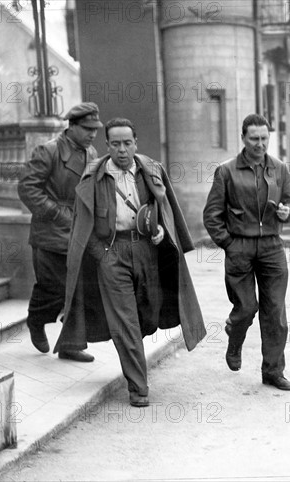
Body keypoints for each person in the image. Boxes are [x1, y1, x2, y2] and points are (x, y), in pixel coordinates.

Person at [53, 117, 206, 407]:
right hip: (113, 254)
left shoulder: (151, 170)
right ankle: (138, 387)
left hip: (148, 251)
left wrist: (160, 229)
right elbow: (82, 226)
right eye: (115, 144)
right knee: (125, 323)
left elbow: (163, 208)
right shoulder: (93, 178)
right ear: (107, 145)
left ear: (135, 143)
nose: (122, 150)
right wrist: (103, 256)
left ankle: (133, 351)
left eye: (127, 143)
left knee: (147, 316)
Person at [203, 113, 290, 391]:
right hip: (240, 247)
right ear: (243, 139)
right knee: (245, 308)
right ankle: (235, 337)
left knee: (275, 312)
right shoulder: (226, 171)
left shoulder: (279, 168)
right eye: (254, 139)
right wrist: (229, 244)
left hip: (272, 246)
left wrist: (287, 212)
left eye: (264, 139)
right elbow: (212, 216)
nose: (260, 144)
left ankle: (273, 371)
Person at [18, 102, 102, 363]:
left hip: (81, 231)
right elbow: (27, 189)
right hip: (51, 234)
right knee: (53, 287)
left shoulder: (91, 153)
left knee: (80, 290)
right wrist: (56, 213)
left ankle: (70, 344)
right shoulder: (49, 151)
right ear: (72, 126)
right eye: (87, 129)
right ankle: (36, 320)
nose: (92, 134)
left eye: (95, 129)